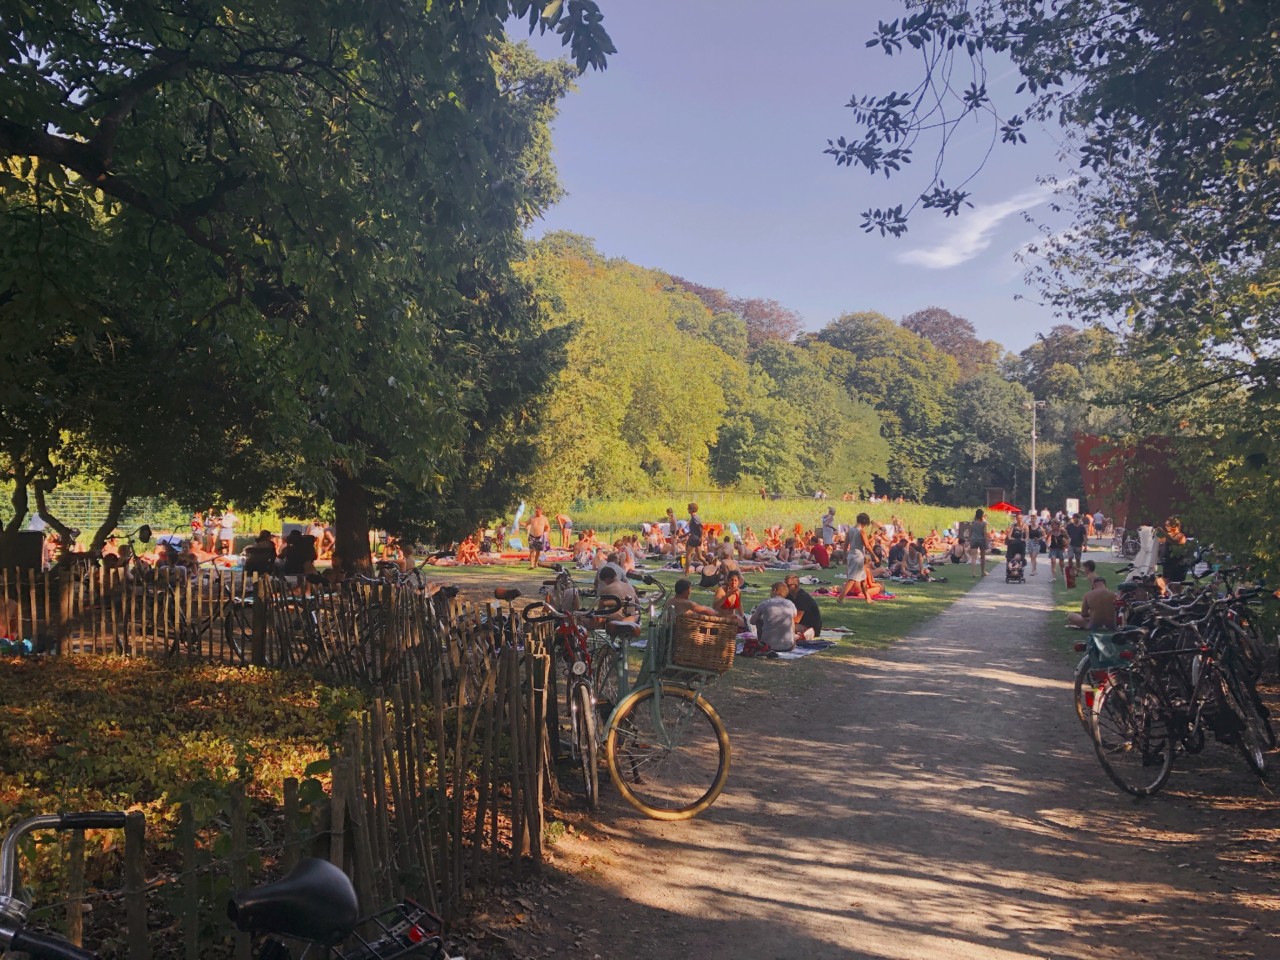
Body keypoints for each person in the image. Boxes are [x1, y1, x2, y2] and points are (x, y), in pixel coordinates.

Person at [748, 582, 797, 653]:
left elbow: (752, 621)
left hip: (767, 646)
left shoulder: (765, 604)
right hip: (788, 647)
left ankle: (761, 641)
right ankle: (790, 640)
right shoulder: (790, 604)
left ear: (774, 590)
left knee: (759, 620)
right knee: (791, 619)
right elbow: (794, 615)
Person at [836, 513, 874, 604]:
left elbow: (845, 545)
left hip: (851, 555)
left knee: (863, 579)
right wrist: (874, 555)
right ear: (864, 522)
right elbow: (867, 545)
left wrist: (845, 556)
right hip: (858, 556)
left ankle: (868, 598)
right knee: (852, 579)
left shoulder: (850, 530)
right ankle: (840, 598)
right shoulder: (861, 531)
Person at [784, 574, 822, 640]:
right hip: (799, 624)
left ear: (795, 585)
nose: (785, 588)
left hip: (810, 627)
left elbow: (796, 620)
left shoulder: (802, 597)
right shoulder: (789, 596)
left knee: (783, 627)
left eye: (788, 585)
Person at [683, 502, 705, 575]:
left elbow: (700, 527)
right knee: (700, 556)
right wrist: (684, 535)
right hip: (695, 537)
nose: (687, 509)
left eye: (688, 508)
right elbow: (693, 529)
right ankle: (708, 566)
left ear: (691, 509)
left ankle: (686, 572)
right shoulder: (694, 517)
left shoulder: (695, 517)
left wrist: (701, 537)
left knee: (688, 555)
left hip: (695, 538)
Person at [969, 508, 990, 577]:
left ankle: (973, 573)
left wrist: (970, 539)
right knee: (982, 557)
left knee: (973, 557)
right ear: (982, 515)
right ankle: (982, 572)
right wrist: (986, 541)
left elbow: (971, 532)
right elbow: (985, 533)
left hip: (974, 539)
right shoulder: (984, 523)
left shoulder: (973, 523)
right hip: (981, 540)